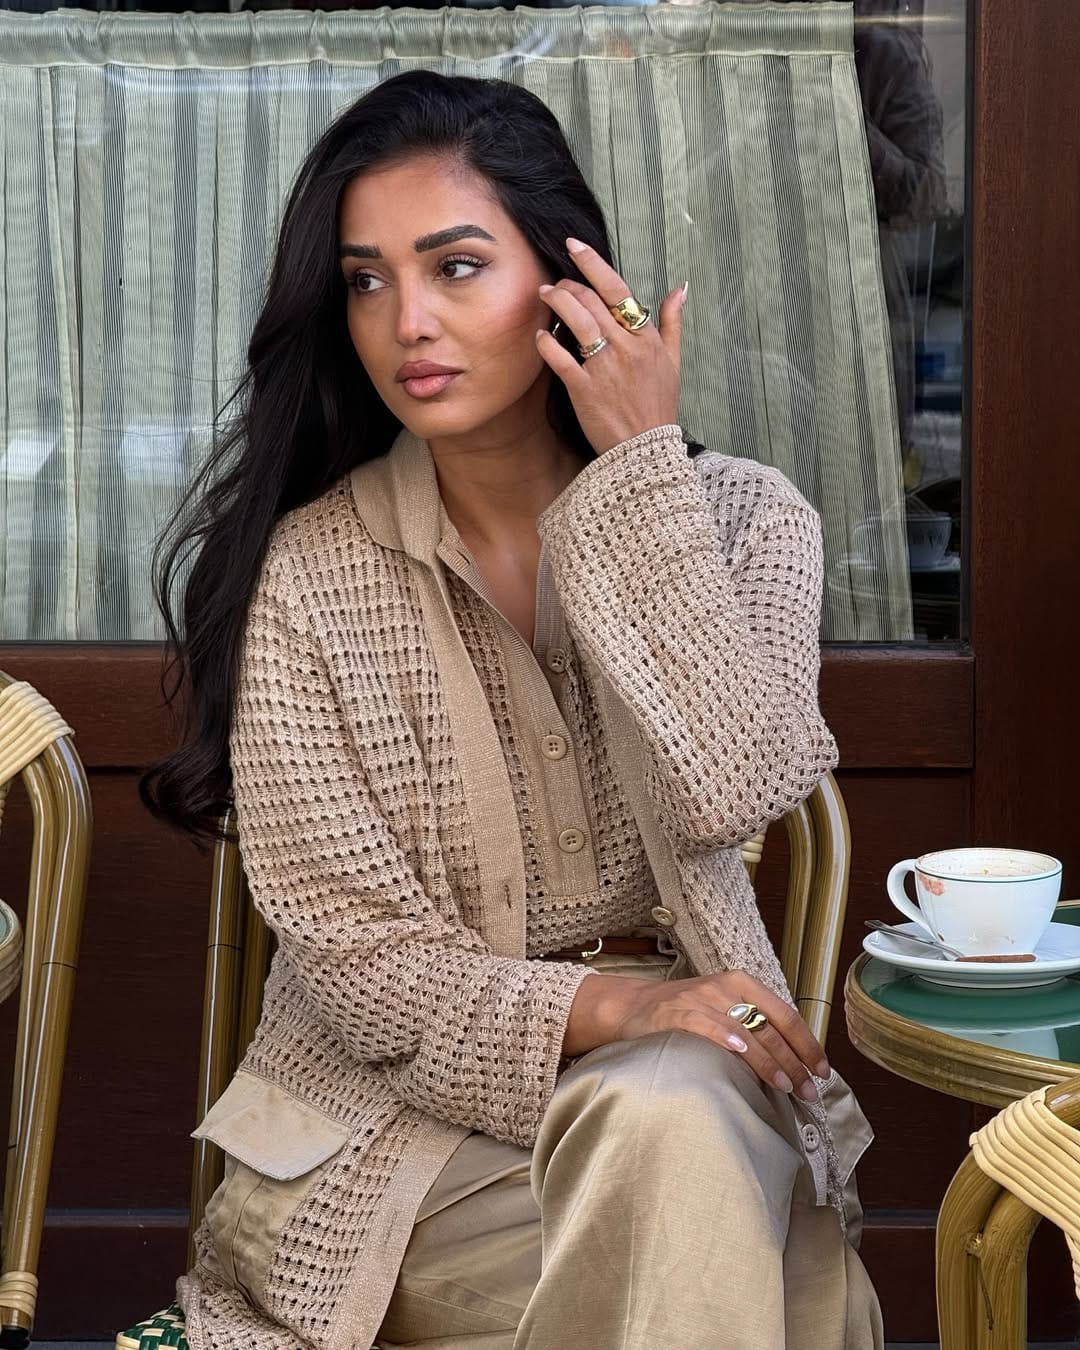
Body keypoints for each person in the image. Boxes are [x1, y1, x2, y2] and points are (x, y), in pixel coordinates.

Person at [142, 70, 882, 1350]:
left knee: (673, 1125)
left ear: (568, 279)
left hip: (694, 1088)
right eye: (367, 280)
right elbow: (365, 973)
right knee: (793, 1278)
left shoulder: (743, 522)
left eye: (456, 266)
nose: (407, 323)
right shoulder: (310, 575)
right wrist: (625, 1010)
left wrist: (639, 475)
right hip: (391, 1159)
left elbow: (736, 783)